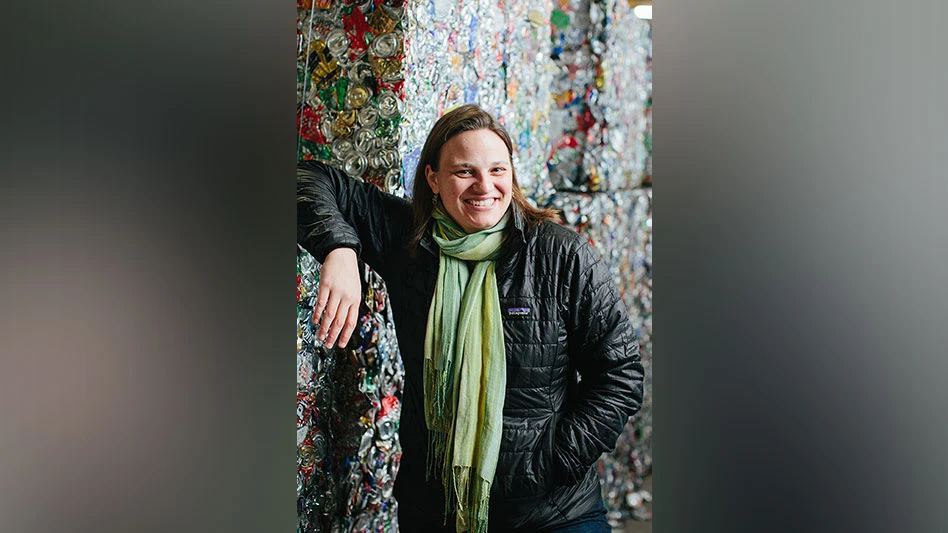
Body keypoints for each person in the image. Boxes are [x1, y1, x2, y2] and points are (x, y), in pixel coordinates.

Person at [297, 104, 644, 532]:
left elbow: (620, 373)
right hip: (436, 511)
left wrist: (550, 464)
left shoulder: (560, 254)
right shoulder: (410, 240)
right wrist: (339, 248)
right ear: (433, 179)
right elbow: (306, 175)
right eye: (465, 171)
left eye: (497, 170)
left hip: (552, 513)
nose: (485, 186)